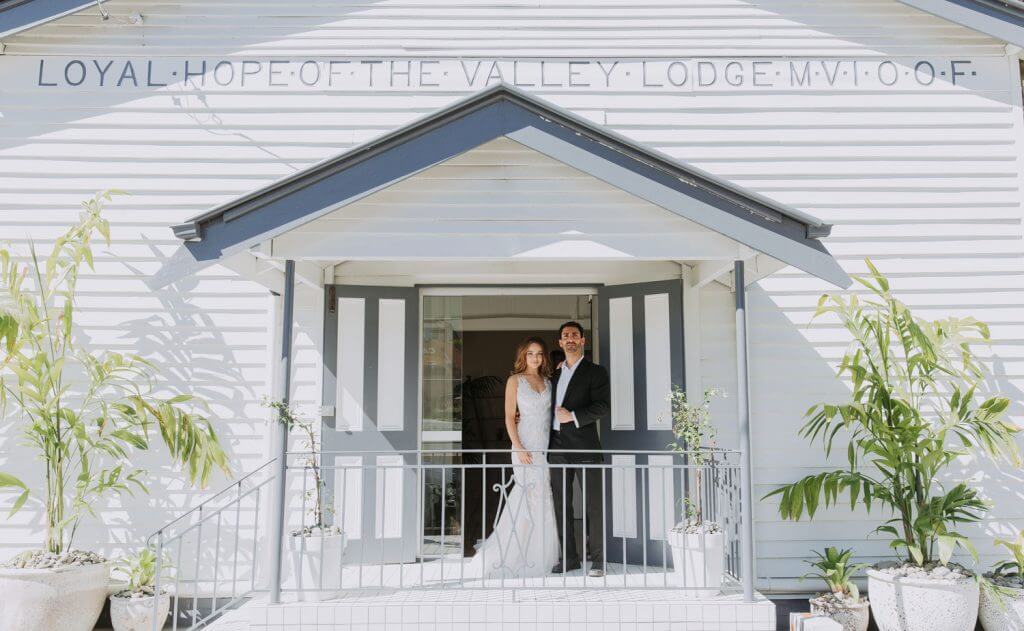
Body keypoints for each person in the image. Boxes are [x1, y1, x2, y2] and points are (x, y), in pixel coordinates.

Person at [465, 337, 560, 579]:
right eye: (530, 353)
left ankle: (539, 556)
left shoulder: (549, 383)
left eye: (539, 353)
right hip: (524, 448)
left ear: (544, 357)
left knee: (543, 499)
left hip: (544, 449)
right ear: (523, 356)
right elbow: (509, 418)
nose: (535, 358)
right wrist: (518, 447)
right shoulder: (514, 381)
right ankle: (514, 555)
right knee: (525, 500)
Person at [548, 321, 610, 577]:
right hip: (557, 447)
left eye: (575, 335)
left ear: (583, 341)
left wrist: (572, 416)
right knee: (562, 506)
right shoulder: (554, 374)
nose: (570, 339)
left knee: (594, 505)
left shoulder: (596, 372)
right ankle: (570, 559)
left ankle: (598, 561)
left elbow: (602, 407)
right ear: (560, 343)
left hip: (586, 447)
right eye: (565, 336)